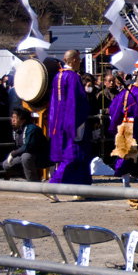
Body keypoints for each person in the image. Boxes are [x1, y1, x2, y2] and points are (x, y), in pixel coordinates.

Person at [49, 49, 92, 190]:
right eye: (79, 60)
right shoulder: (72, 77)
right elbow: (76, 102)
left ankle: (80, 188)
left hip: (59, 121)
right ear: (73, 60)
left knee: (78, 155)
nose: (80, 62)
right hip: (72, 122)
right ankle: (53, 185)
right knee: (71, 155)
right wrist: (79, 121)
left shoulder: (58, 76)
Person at [3, 107, 51, 181]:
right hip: (24, 156)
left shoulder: (32, 129)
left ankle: (33, 183)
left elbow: (27, 147)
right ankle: (30, 176)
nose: (13, 120)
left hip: (40, 156)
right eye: (12, 117)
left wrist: (13, 153)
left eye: (15, 118)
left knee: (26, 157)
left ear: (23, 119)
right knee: (6, 165)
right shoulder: (16, 129)